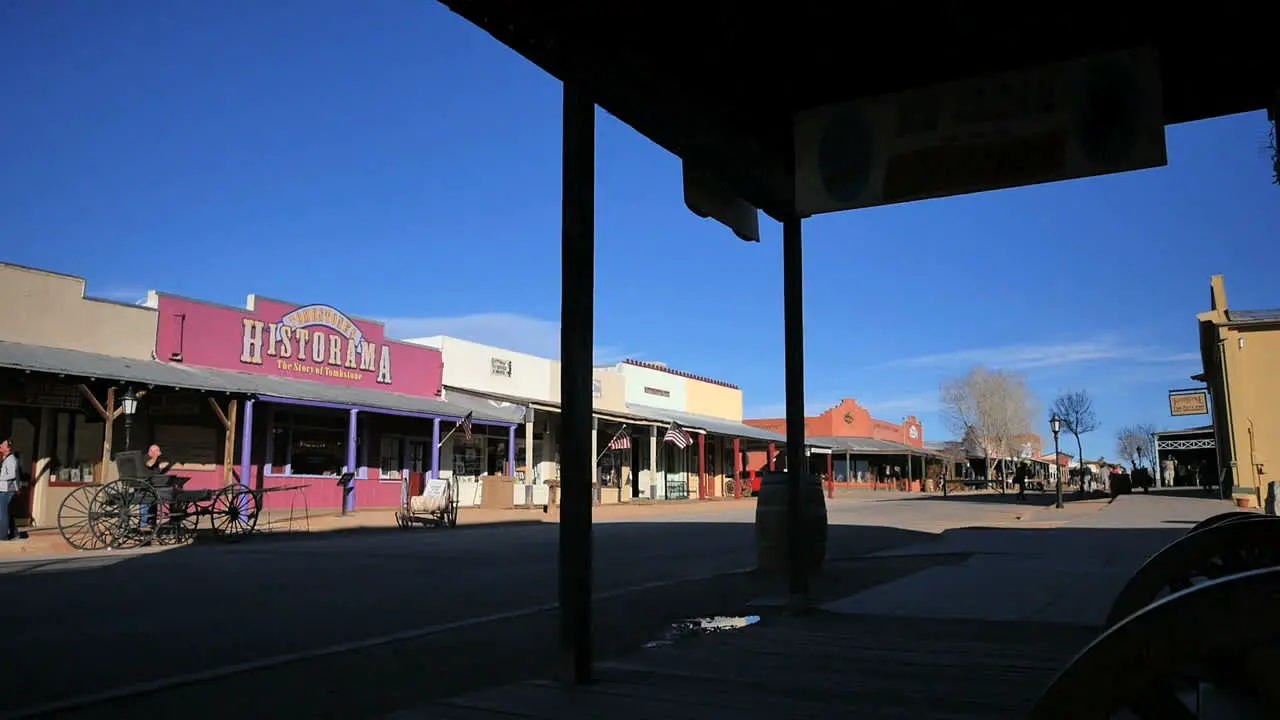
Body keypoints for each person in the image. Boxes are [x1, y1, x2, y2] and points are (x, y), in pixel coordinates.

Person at [0, 438, 22, 541]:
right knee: (7, 512)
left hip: (7, 490)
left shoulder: (11, 459)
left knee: (3, 513)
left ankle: (3, 536)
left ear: (8, 448)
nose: (0, 446)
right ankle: (15, 533)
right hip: (5, 489)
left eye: (2, 445)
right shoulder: (6, 458)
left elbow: (12, 474)